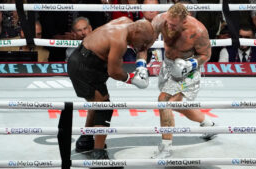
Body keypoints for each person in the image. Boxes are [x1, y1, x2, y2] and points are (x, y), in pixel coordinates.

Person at [67, 17, 155, 162]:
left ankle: (86, 140)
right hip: (84, 67)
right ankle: (98, 154)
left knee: (98, 103)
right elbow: (114, 72)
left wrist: (141, 63)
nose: (141, 45)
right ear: (136, 32)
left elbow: (140, 45)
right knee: (104, 107)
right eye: (142, 42)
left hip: (87, 60)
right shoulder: (119, 41)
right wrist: (132, 79)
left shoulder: (126, 22)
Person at [150, 3, 216, 159]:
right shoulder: (161, 20)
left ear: (184, 21)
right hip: (168, 66)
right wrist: (140, 64)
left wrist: (190, 64)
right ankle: (208, 125)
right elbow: (146, 41)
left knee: (164, 101)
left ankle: (166, 148)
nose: (169, 26)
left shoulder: (197, 31)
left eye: (173, 25)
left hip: (188, 70)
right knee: (177, 105)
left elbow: (206, 55)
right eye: (168, 22)